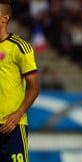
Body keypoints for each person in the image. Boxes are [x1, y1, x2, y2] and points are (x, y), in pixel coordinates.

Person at [0, 1, 39, 162]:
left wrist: (17, 115)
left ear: (4, 18)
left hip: (12, 127)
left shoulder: (20, 47)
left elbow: (34, 88)